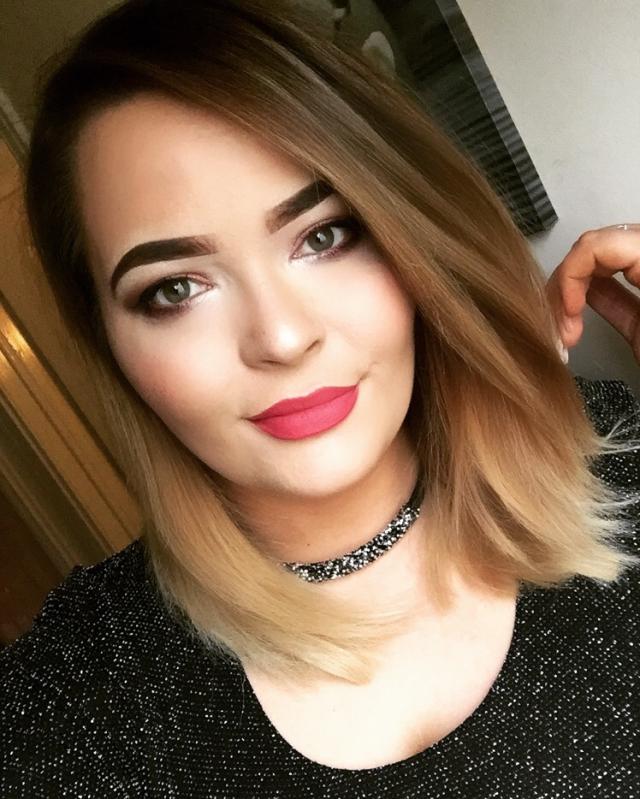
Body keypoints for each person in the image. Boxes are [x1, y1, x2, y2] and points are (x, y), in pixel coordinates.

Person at [1, 0, 639, 795]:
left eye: (324, 235)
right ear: (109, 342)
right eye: (175, 288)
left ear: (411, 235)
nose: (282, 335)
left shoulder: (617, 455)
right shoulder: (75, 703)